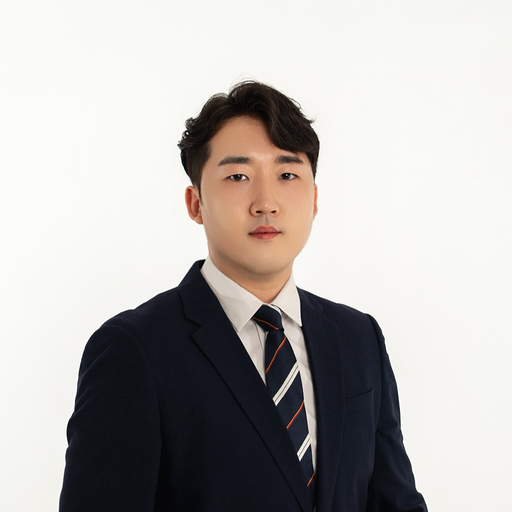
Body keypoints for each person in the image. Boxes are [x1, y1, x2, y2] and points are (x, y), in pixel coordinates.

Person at [60, 81, 428, 512]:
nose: (266, 203)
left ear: (313, 199)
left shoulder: (357, 338)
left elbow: (395, 502)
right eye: (238, 176)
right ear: (195, 203)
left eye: (287, 175)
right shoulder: (134, 350)